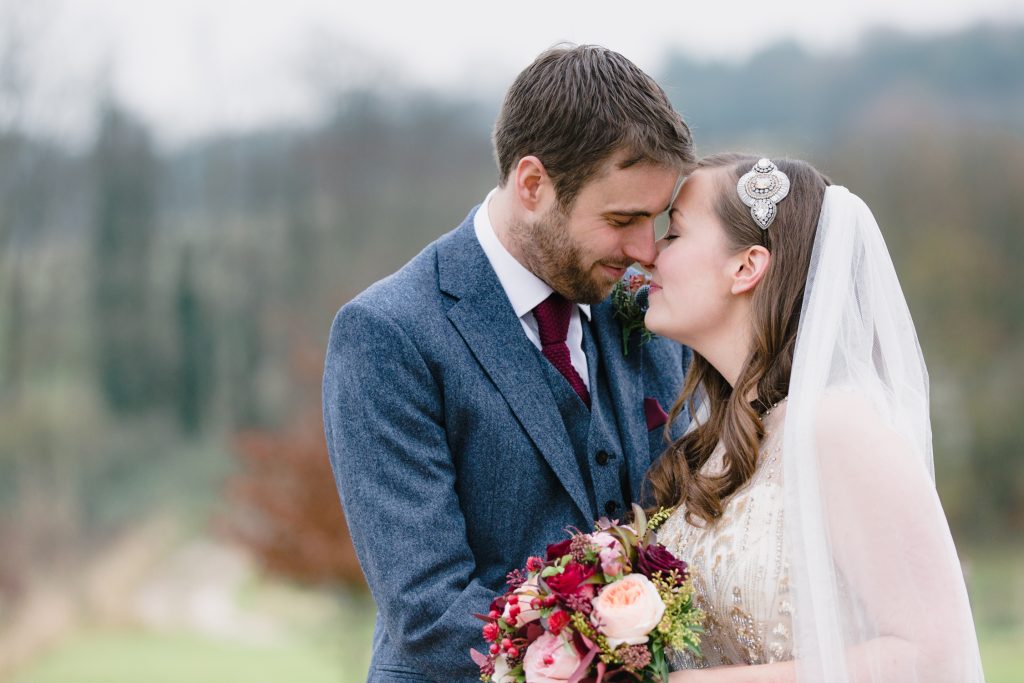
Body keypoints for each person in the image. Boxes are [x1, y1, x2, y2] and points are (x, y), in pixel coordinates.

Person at [322, 45, 695, 683]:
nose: (643, 250)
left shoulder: (651, 314)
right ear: (532, 185)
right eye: (622, 219)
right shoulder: (387, 335)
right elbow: (430, 611)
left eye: (654, 220)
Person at [643, 154, 985, 681]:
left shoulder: (837, 427)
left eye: (674, 234)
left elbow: (933, 654)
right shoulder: (718, 439)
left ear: (746, 267)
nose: (649, 255)